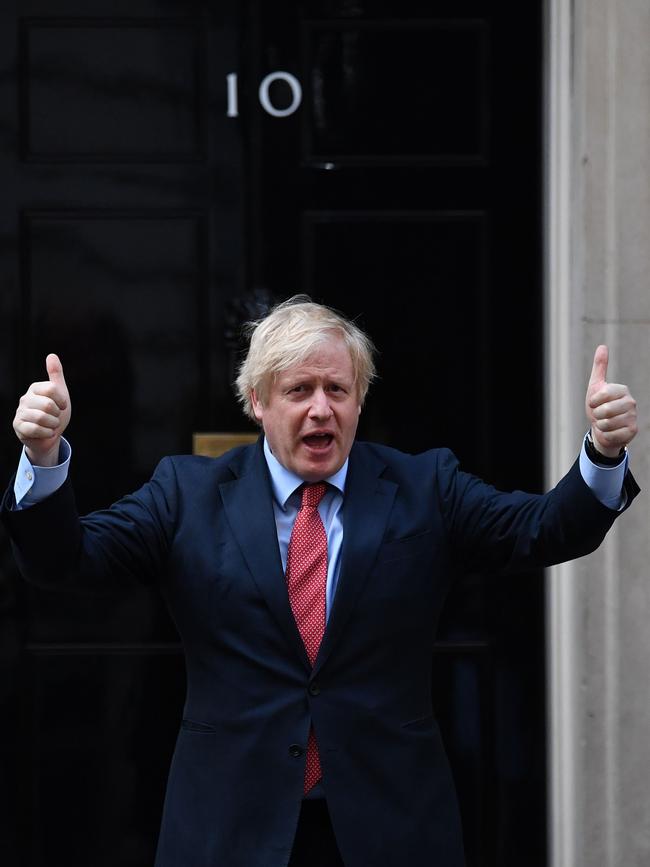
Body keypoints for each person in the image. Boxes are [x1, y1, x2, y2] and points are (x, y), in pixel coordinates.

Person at [2, 295, 639, 867]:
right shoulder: (185, 494)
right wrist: (44, 458)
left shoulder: (426, 488)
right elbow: (67, 561)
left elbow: (546, 529)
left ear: (360, 400)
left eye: (337, 389)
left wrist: (602, 455)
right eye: (299, 390)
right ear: (257, 402)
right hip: (231, 827)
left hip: (389, 826)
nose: (320, 409)